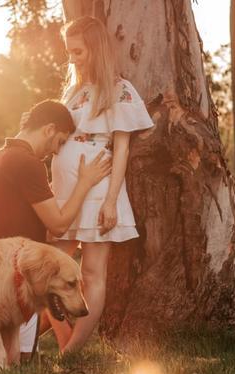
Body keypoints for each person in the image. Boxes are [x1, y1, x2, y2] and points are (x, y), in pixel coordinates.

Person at [0, 99, 111, 363]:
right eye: (59, 142)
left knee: (3, 344)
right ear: (48, 129)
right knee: (19, 359)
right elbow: (57, 223)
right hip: (13, 273)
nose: (54, 152)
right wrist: (85, 183)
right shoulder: (28, 163)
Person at [43, 16, 155, 354]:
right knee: (49, 270)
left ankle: (72, 351)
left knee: (92, 272)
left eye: (77, 51)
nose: (72, 58)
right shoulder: (73, 92)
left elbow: (121, 149)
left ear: (95, 49)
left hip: (98, 188)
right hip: (64, 190)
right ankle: (62, 345)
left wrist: (110, 202)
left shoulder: (120, 90)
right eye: (69, 52)